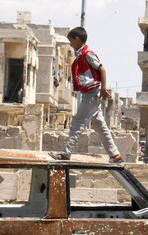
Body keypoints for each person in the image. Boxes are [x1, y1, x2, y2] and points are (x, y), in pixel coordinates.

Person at [49, 27, 122, 163]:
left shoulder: (88, 54)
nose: (70, 44)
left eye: (71, 41)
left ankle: (66, 153)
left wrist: (103, 89)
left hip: (91, 94)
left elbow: (102, 69)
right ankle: (115, 154)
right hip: (90, 94)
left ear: (77, 39)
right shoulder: (81, 55)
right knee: (100, 126)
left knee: (77, 123)